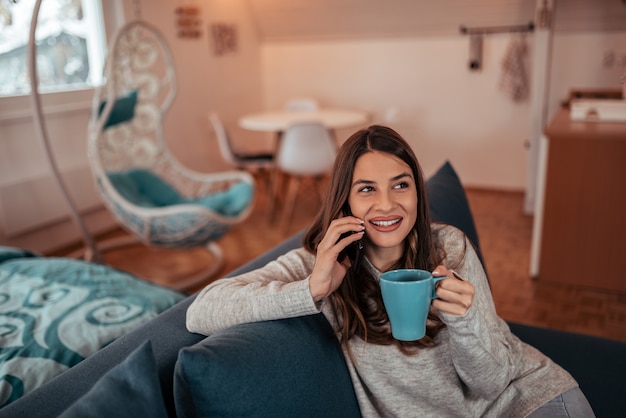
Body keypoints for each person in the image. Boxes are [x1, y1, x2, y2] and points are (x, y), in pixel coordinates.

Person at [186, 125, 594, 417]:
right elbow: (200, 311)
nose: (387, 205)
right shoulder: (324, 264)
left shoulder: (448, 249)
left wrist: (467, 322)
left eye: (400, 185)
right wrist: (313, 288)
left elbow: (492, 384)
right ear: (344, 200)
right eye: (366, 189)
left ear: (417, 191)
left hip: (526, 400)